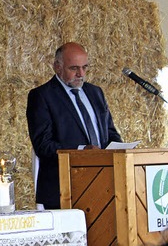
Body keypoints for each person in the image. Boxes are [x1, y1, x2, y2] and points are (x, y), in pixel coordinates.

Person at [27, 42, 121, 209]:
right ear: (57, 67)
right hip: (65, 188)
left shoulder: (95, 92)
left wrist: (122, 150)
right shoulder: (41, 96)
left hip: (104, 185)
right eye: (74, 68)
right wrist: (82, 151)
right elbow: (43, 145)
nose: (81, 74)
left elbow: (110, 132)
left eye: (85, 67)